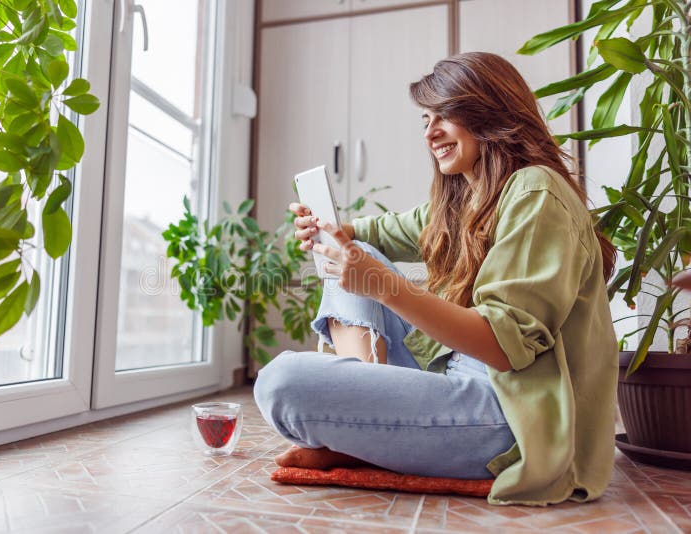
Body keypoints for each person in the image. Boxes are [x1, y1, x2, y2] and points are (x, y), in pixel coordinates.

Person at [253, 52, 620, 506]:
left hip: (508, 420)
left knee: (280, 383)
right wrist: (332, 230)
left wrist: (384, 287)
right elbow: (380, 233)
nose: (430, 133)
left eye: (446, 114)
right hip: (457, 383)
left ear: (491, 111)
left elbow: (504, 350)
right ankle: (369, 433)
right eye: (426, 119)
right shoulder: (471, 196)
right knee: (357, 256)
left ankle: (364, 436)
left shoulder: (536, 192)